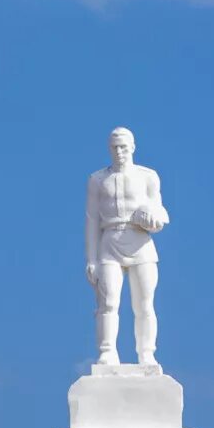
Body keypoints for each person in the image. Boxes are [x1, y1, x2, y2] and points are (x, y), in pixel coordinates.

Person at [84, 127, 170, 367]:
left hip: (140, 241)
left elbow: (160, 211)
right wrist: (91, 259)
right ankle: (107, 351)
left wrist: (153, 218)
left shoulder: (147, 176)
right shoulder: (97, 180)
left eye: (123, 147)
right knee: (108, 301)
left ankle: (147, 353)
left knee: (144, 304)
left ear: (132, 147)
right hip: (110, 241)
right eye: (115, 147)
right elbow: (91, 221)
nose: (119, 152)